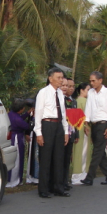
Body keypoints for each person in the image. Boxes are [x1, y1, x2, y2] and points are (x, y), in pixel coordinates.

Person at [33, 67, 70, 198]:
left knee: (59, 157)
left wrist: (66, 131)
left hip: (59, 125)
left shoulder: (60, 93)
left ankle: (58, 187)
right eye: (58, 78)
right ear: (50, 78)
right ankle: (44, 189)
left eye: (62, 78)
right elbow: (38, 113)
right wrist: (39, 133)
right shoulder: (43, 92)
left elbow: (64, 113)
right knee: (46, 158)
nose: (61, 80)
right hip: (47, 125)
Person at [82, 71, 107, 185]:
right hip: (94, 124)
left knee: (97, 151)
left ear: (100, 80)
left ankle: (90, 177)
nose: (91, 83)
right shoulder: (91, 92)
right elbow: (88, 107)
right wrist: (86, 123)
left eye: (93, 81)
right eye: (90, 81)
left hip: (104, 124)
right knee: (100, 151)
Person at [6, 99, 31, 187]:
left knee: (11, 159)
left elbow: (20, 118)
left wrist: (27, 113)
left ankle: (9, 180)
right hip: (17, 139)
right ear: (21, 109)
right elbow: (26, 126)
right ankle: (14, 180)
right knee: (17, 159)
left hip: (11, 137)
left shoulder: (10, 114)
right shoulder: (17, 119)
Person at [71, 83, 92, 184]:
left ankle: (79, 174)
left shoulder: (76, 101)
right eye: (88, 89)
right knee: (82, 152)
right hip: (83, 129)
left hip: (78, 128)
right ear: (82, 90)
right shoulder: (83, 101)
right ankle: (80, 174)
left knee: (79, 152)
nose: (89, 92)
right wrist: (85, 127)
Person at [60, 77, 78, 191]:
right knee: (60, 159)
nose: (69, 88)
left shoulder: (73, 101)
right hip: (61, 132)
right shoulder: (60, 99)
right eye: (67, 85)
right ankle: (59, 181)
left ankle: (65, 180)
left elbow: (75, 119)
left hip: (71, 132)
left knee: (67, 158)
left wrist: (76, 134)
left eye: (71, 86)